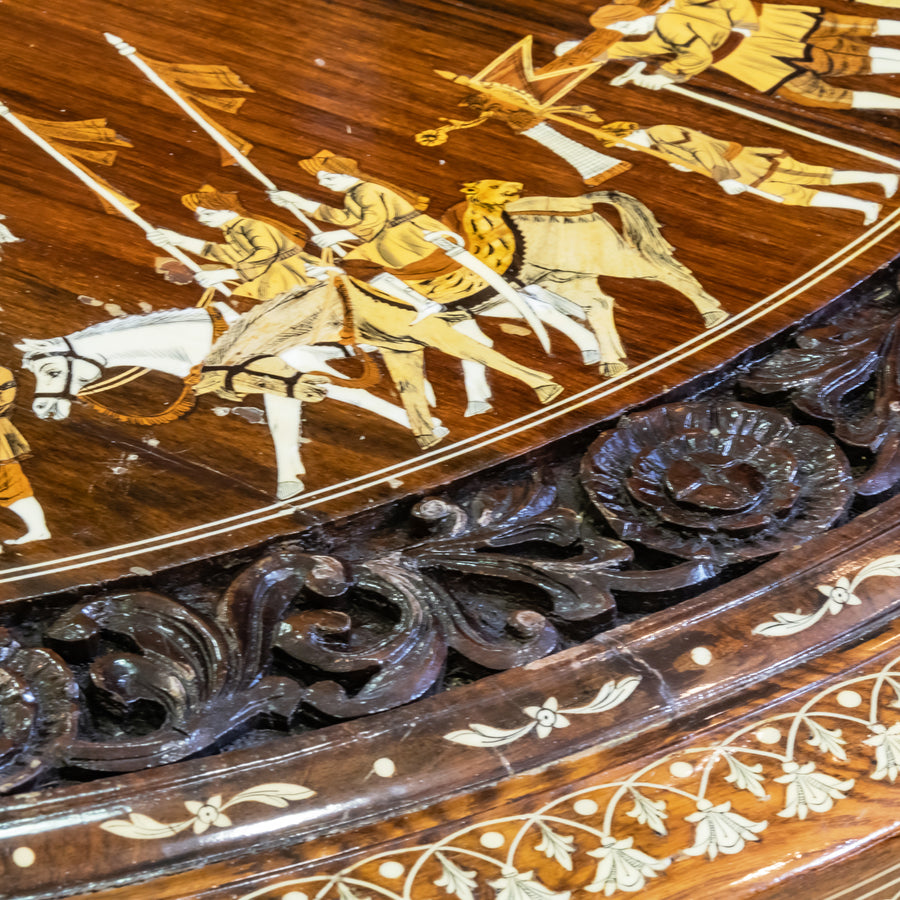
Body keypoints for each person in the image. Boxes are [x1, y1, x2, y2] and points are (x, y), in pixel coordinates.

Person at [564, 0, 900, 113]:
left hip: (753, 45)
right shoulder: (660, 27)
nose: (624, 31)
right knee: (840, 54)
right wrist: (598, 52)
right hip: (745, 55)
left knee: (840, 43)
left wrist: (666, 75)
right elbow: (642, 47)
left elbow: (693, 56)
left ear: (630, 17)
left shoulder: (668, 21)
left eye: (622, 25)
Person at [618, 123, 899, 223]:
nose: (628, 149)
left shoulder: (659, 132)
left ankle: (882, 178)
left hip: (743, 162)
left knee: (809, 176)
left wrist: (724, 179)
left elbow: (704, 149)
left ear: (630, 133)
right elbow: (694, 158)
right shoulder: (654, 145)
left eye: (624, 144)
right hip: (737, 172)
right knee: (794, 196)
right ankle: (865, 205)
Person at [146, 186, 332, 306]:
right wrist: (180, 240)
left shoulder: (251, 225)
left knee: (247, 303)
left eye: (208, 214)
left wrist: (227, 274)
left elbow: (266, 254)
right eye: (199, 216)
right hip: (272, 274)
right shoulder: (233, 229)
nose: (202, 220)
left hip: (289, 273)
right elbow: (227, 253)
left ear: (227, 210)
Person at [0, 367, 50, 545]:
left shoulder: (2, 374)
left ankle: (39, 529)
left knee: (13, 490)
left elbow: (4, 403)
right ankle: (39, 529)